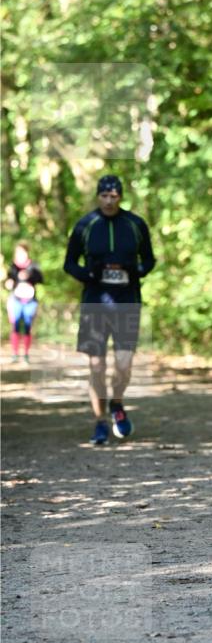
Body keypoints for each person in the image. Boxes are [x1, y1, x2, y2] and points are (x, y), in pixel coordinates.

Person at [63, 175, 156, 445]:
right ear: (97, 196)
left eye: (113, 196)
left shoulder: (135, 224)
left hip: (127, 301)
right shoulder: (85, 225)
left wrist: (136, 270)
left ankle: (116, 403)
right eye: (104, 196)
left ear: (120, 196)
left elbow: (149, 260)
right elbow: (69, 263)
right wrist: (88, 274)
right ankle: (100, 422)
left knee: (124, 365)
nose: (108, 200)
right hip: (95, 301)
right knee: (96, 365)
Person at [5, 240, 44, 363]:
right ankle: (15, 354)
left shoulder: (33, 266)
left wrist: (29, 275)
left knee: (27, 326)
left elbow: (41, 279)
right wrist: (8, 283)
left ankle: (26, 354)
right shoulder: (12, 267)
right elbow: (7, 282)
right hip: (15, 300)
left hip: (30, 301)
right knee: (15, 325)